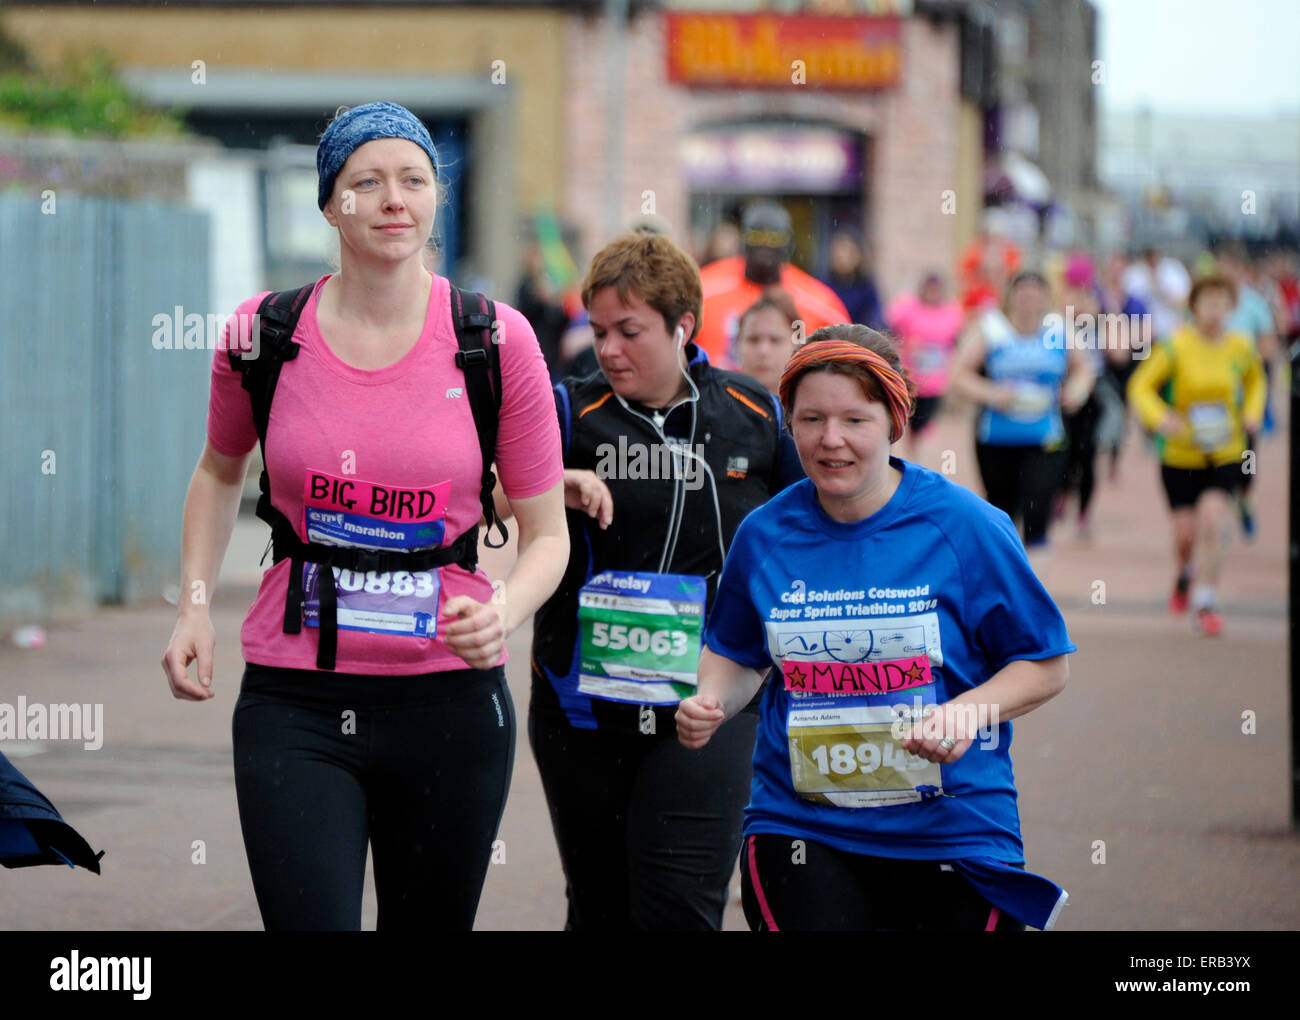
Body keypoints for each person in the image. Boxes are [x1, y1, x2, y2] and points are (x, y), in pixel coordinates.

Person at [161, 101, 568, 930]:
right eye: (367, 182)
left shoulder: (496, 340)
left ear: (435, 199)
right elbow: (216, 471)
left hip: (449, 703)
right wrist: (193, 607)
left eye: (414, 180)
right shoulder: (263, 333)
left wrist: (504, 610)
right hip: (296, 700)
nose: (393, 199)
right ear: (329, 203)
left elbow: (548, 533)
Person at [676, 326, 1074, 932]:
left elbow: (1045, 663)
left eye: (854, 421)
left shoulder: (965, 526)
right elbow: (736, 654)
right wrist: (710, 700)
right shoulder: (765, 533)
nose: (830, 440)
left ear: (894, 421)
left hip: (950, 831)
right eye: (811, 419)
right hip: (804, 826)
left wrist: (966, 712)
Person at [528, 230, 804, 930]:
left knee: (679, 905)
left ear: (684, 324)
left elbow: (816, 519)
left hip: (712, 698)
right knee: (599, 905)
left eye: (630, 331)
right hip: (580, 702)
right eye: (598, 331)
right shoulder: (568, 409)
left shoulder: (752, 413)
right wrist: (548, 485)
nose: (609, 349)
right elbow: (487, 492)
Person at [1127, 274, 1265, 636]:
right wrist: (1161, 418)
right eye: (1209, 302)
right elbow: (1140, 386)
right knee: (1186, 533)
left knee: (1214, 518)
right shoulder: (1175, 346)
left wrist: (1253, 411)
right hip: (1180, 454)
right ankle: (1186, 571)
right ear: (1194, 307)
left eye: (1222, 303)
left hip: (1226, 450)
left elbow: (1256, 380)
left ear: (1231, 308)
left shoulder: (1240, 346)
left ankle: (1206, 600)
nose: (1215, 310)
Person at [948, 271, 1094, 554]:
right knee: (1001, 517)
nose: (1028, 299)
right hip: (996, 438)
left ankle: (1035, 589)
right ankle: (1006, 584)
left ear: (1045, 298)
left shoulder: (1057, 331)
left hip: (1045, 437)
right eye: (1022, 292)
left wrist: (1075, 392)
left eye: (1035, 293)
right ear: (1011, 297)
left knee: (1037, 514)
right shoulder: (992, 330)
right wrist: (992, 393)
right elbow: (959, 375)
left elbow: (1084, 369)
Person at [695, 202, 849, 368]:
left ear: (788, 244)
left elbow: (845, 360)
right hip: (714, 390)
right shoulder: (705, 290)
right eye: (756, 236)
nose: (765, 245)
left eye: (775, 238)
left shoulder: (819, 303)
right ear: (743, 240)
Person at [884, 271, 964, 458]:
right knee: (904, 420)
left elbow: (957, 342)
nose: (933, 292)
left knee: (924, 424)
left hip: (936, 382)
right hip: (909, 378)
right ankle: (907, 457)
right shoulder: (906, 309)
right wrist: (908, 346)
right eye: (930, 287)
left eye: (937, 288)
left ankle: (915, 457)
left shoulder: (952, 312)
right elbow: (890, 334)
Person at [735, 288, 801, 396]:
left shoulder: (816, 406)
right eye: (753, 339)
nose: (763, 351)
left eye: (775, 340)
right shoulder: (715, 406)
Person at [821, 228, 884, 329]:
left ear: (858, 255)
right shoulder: (823, 286)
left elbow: (876, 319)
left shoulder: (866, 288)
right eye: (838, 251)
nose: (841, 256)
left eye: (848, 251)